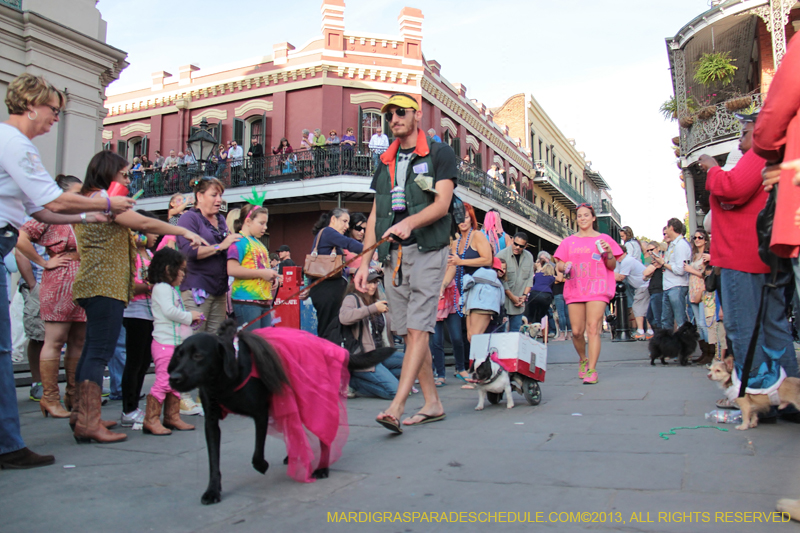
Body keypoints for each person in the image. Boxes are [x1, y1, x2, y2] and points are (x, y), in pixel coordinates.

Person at [0, 73, 135, 468]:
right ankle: (9, 445)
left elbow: (38, 209)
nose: (56, 119)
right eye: (53, 110)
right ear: (30, 106)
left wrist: (91, 217)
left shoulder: (12, 144)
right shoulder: (16, 144)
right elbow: (53, 205)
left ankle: (10, 441)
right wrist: (107, 207)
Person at [70, 151, 205, 444]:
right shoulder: (100, 200)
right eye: (125, 174)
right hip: (104, 285)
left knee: (93, 349)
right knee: (98, 352)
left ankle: (82, 416)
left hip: (98, 284)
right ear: (109, 173)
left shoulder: (92, 199)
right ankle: (88, 422)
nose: (128, 179)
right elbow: (144, 223)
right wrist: (182, 228)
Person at [354, 92, 456, 431]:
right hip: (392, 257)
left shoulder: (440, 152)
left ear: (416, 115)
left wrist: (409, 222)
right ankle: (432, 402)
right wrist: (363, 262)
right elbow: (375, 213)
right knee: (409, 333)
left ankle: (397, 407)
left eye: (400, 112)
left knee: (417, 329)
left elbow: (441, 205)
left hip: (428, 248)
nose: (393, 119)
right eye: (388, 115)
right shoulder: (385, 160)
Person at [701, 112, 799, 412]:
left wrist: (712, 168)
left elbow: (733, 189)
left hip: (742, 256)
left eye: (745, 133)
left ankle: (757, 400)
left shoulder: (759, 153)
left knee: (744, 329)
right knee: (773, 327)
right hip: (759, 257)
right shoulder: (763, 156)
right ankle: (790, 397)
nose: (741, 140)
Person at [15, 175, 86, 418]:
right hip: (59, 278)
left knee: (78, 341)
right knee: (55, 340)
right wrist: (43, 262)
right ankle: (50, 396)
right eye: (77, 193)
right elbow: (21, 238)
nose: (81, 197)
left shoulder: (81, 217)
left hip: (82, 279)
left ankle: (73, 395)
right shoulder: (50, 215)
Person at [554, 203, 623, 385]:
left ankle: (592, 369)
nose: (582, 218)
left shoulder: (604, 239)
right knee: (577, 332)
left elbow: (612, 265)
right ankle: (583, 358)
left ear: (593, 218)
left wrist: (608, 252)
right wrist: (564, 266)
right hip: (575, 288)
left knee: (593, 328)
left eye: (586, 215)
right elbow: (558, 265)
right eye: (579, 216)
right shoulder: (569, 241)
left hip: (598, 288)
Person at [145, 247, 200, 435]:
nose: (183, 274)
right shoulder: (162, 288)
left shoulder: (170, 289)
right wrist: (189, 316)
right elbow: (169, 312)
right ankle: (151, 419)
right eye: (181, 269)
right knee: (164, 381)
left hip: (175, 345)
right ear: (169, 269)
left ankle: (172, 416)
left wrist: (190, 319)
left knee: (176, 380)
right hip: (165, 344)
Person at [118, 212, 159, 427]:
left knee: (144, 362)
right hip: (135, 311)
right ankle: (128, 409)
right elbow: (129, 285)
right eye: (151, 231)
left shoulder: (149, 255)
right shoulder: (130, 254)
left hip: (150, 311)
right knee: (135, 362)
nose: (155, 236)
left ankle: (134, 406)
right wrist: (152, 286)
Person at [339, 271, 404, 399]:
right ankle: (353, 381)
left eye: (375, 282)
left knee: (413, 365)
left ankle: (382, 376)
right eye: (368, 283)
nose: (373, 286)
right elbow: (344, 317)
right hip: (364, 357)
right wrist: (372, 309)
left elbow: (393, 329)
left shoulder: (378, 300)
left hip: (382, 353)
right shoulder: (352, 298)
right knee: (395, 392)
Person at [442, 202, 494, 345]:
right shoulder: (456, 242)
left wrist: (462, 262)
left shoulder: (477, 235)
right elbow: (453, 266)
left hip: (482, 290)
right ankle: (475, 366)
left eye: (465, 217)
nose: (462, 221)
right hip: (466, 292)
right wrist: (443, 286)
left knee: (474, 337)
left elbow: (488, 260)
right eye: (458, 218)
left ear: (471, 218)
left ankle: (482, 366)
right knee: (470, 337)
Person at [309, 208, 363, 337]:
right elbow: (348, 243)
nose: (347, 226)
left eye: (348, 222)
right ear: (333, 219)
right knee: (328, 328)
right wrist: (372, 249)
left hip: (327, 289)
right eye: (344, 221)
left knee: (331, 327)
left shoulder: (329, 239)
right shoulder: (328, 232)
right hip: (326, 291)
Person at [228, 204, 281, 331]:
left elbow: (262, 269)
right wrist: (262, 274)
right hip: (247, 301)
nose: (265, 227)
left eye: (266, 223)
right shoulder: (239, 241)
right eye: (261, 223)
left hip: (263, 301)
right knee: (251, 344)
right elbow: (231, 269)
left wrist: (272, 278)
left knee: (263, 343)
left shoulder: (258, 243)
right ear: (248, 221)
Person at [650, 218, 691, 331]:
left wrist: (664, 263)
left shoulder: (681, 245)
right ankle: (667, 346)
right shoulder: (673, 245)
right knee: (666, 320)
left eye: (667, 228)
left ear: (671, 228)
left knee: (680, 320)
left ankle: (683, 346)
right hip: (669, 286)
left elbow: (680, 270)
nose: (666, 231)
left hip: (677, 286)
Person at [683, 228, 713, 360]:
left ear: (706, 240)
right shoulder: (694, 256)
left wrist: (690, 270)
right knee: (698, 323)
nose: (697, 240)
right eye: (695, 238)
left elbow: (707, 274)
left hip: (703, 289)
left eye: (700, 237)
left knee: (704, 322)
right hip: (693, 289)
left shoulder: (707, 255)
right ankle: (704, 352)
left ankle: (711, 352)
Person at [496, 231, 534, 334]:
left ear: (525, 246)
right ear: (512, 240)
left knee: (515, 334)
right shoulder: (501, 255)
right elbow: (501, 280)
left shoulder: (529, 257)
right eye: (515, 244)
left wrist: (524, 296)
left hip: (520, 303)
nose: (517, 247)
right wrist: (512, 297)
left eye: (521, 246)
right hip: (503, 302)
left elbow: (530, 278)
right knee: (499, 333)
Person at [614, 250, 650, 340]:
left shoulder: (627, 261)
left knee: (637, 307)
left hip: (643, 285)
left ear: (624, 253)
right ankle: (649, 331)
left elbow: (620, 277)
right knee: (645, 307)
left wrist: (606, 274)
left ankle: (641, 331)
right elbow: (617, 273)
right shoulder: (620, 261)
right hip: (641, 286)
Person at [642, 241, 665, 334]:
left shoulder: (661, 259)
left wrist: (654, 265)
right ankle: (659, 336)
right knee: (650, 317)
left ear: (658, 248)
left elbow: (646, 273)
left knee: (657, 318)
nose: (650, 252)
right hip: (653, 290)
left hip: (659, 290)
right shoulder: (654, 261)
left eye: (652, 249)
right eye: (648, 250)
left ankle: (661, 337)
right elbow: (644, 276)